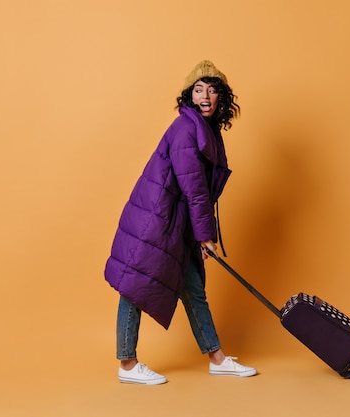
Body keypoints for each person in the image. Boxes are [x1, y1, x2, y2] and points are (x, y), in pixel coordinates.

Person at [104, 60, 257, 385]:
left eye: (212, 90)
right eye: (198, 89)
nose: (205, 96)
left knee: (192, 289)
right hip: (155, 222)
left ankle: (216, 358)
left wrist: (197, 233)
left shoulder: (206, 130)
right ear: (189, 96)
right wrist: (206, 236)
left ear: (221, 98)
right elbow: (195, 188)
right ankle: (128, 365)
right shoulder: (187, 129)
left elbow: (197, 190)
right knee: (134, 287)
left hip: (174, 223)